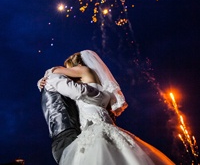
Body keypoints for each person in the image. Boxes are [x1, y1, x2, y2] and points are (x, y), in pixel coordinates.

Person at [41, 50, 175, 165]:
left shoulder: (84, 70)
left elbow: (61, 79)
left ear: (78, 65)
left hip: (94, 126)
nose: (70, 74)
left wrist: (50, 73)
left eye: (70, 69)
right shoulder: (100, 89)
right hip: (104, 123)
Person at [38, 68, 103, 163]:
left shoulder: (46, 85)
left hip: (58, 140)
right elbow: (78, 92)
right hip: (68, 135)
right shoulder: (54, 78)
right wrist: (101, 95)